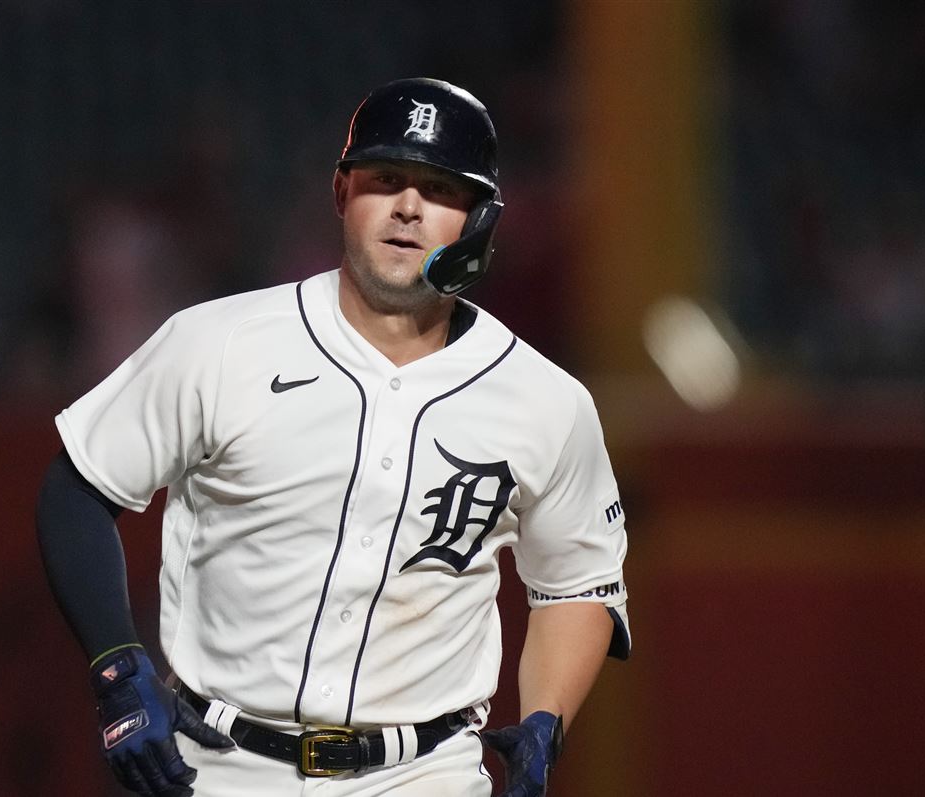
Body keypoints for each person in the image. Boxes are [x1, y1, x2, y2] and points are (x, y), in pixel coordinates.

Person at [36, 77, 630, 797]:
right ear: (342, 192)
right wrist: (117, 668)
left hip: (424, 772)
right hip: (216, 766)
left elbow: (576, 581)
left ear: (479, 218)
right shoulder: (221, 343)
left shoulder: (547, 401)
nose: (409, 208)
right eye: (386, 180)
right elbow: (77, 489)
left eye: (440, 190)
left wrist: (546, 719)